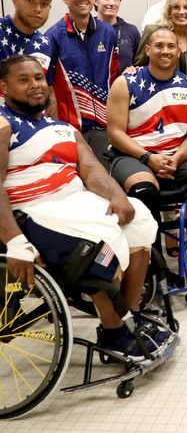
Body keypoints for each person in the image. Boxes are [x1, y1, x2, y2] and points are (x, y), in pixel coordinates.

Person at [0, 54, 165, 360]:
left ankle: (130, 317)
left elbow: (90, 169)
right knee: (100, 248)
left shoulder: (62, 127)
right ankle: (116, 333)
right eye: (23, 80)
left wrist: (117, 196)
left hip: (73, 200)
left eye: (38, 78)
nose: (35, 85)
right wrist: (15, 241)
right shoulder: (3, 123)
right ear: (3, 86)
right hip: (32, 209)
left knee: (139, 219)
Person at [106, 28, 187, 257]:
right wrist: (148, 158)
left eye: (171, 46)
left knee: (168, 180)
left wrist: (176, 158)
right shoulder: (125, 83)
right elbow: (115, 133)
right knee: (145, 189)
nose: (165, 51)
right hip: (133, 156)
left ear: (179, 52)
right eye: (159, 46)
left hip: (176, 158)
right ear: (148, 50)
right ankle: (154, 263)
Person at [42, 0, 118, 164]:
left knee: (108, 178)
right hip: (71, 128)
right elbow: (48, 86)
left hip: (105, 126)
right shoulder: (53, 36)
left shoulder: (107, 32)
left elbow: (114, 77)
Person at [135, 0, 187, 160]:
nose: (181, 12)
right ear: (169, 11)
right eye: (176, 7)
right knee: (160, 149)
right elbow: (139, 66)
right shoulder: (152, 32)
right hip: (158, 107)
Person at [93, 0, 141, 73]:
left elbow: (141, 64)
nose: (112, 3)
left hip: (124, 86)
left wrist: (134, 70)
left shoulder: (131, 30)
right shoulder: (88, 29)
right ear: (95, 0)